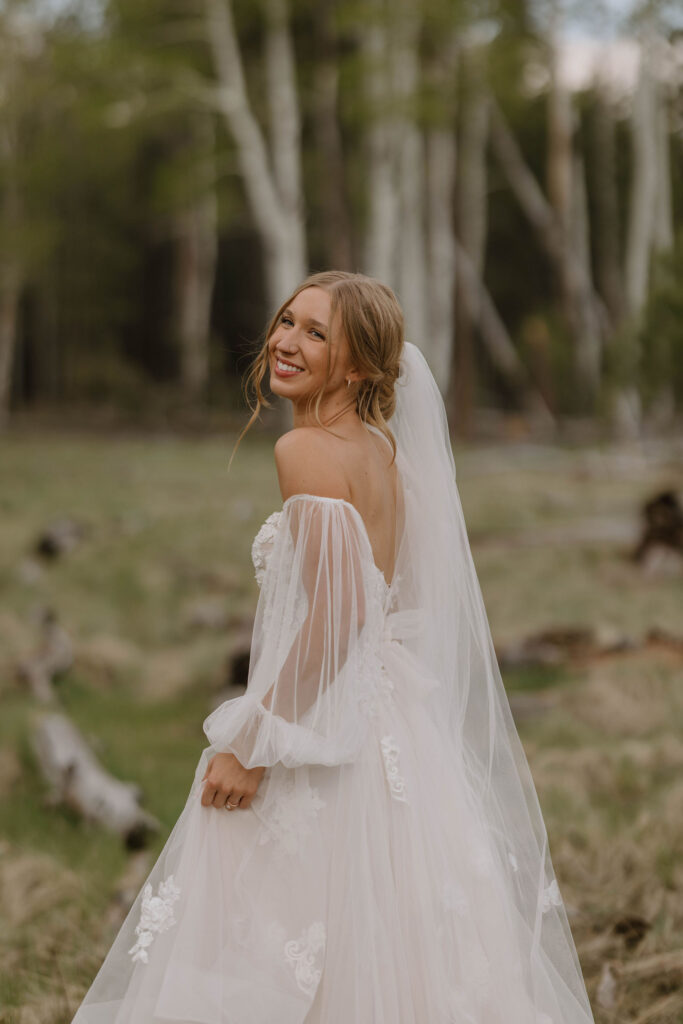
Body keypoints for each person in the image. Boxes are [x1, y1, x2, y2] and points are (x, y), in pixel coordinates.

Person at [71, 271, 595, 1023]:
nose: (285, 341)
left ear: (356, 367)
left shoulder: (307, 450)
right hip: (392, 719)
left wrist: (254, 742)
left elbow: (341, 613)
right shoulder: (385, 452)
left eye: (316, 334)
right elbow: (393, 601)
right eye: (287, 321)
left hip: (330, 718)